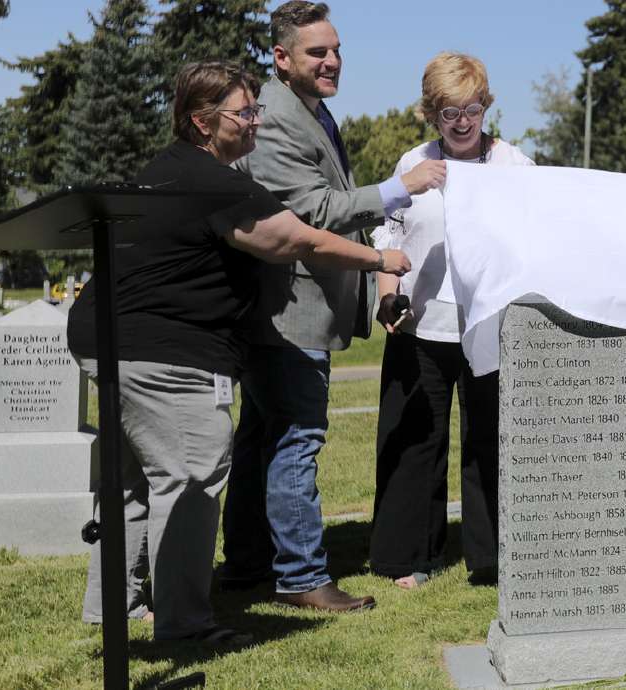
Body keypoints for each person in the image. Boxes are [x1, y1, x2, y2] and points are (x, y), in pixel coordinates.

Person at [67, 60, 410, 644]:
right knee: (191, 478)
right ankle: (186, 626)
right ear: (203, 122)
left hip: (105, 339)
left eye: (255, 109)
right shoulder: (214, 181)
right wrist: (380, 260)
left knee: (133, 485)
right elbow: (293, 238)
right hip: (167, 349)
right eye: (243, 112)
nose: (255, 121)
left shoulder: (166, 170)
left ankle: (116, 609)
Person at [221, 1, 445, 612]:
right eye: (318, 52)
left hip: (288, 308)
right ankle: (300, 575)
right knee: (298, 436)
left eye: (337, 49)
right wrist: (402, 188)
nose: (332, 61)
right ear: (282, 57)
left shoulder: (309, 111)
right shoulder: (273, 120)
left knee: (263, 435)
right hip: (288, 309)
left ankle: (244, 564)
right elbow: (313, 210)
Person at [368, 52, 534, 589]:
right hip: (420, 327)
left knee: (493, 441)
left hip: (491, 326)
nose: (462, 122)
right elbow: (388, 237)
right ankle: (410, 556)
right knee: (416, 440)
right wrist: (387, 295)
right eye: (447, 112)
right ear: (430, 113)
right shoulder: (411, 162)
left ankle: (494, 557)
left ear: (486, 106)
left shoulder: (515, 166)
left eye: (471, 109)